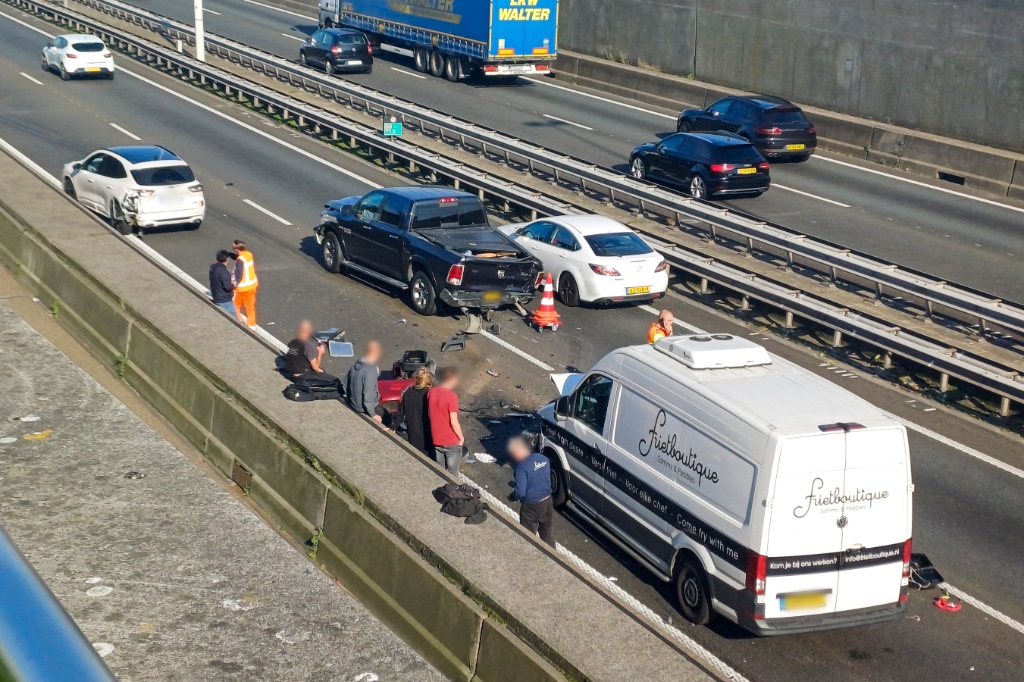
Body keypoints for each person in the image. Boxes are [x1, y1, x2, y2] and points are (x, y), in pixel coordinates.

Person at [507, 437, 555, 548]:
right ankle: (553, 557)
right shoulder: (543, 459)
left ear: (516, 452)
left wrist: (511, 497)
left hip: (531, 506)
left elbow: (520, 492)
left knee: (526, 536)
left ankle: (528, 556)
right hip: (547, 501)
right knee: (547, 534)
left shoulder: (521, 467)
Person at [428, 366, 464, 475]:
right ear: (453, 379)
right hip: (450, 441)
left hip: (436, 438)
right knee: (453, 473)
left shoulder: (432, 392)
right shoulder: (451, 396)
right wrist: (461, 437)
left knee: (440, 471)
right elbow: (453, 421)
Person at [284, 320, 340, 386]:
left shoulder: (292, 342)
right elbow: (315, 367)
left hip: (289, 373)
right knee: (323, 373)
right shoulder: (307, 346)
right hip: (300, 376)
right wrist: (320, 353)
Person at [346, 340, 386, 425]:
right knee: (386, 415)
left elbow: (345, 383)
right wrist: (373, 414)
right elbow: (368, 393)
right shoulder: (371, 371)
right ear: (376, 352)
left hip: (352, 403)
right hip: (362, 408)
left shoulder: (356, 364)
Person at [396, 367, 433, 455]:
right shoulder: (429, 394)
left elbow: (400, 413)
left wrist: (392, 426)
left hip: (413, 431)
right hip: (428, 432)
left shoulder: (408, 393)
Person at [231, 239, 259, 327]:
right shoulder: (249, 254)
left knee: (235, 306)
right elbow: (240, 257)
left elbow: (239, 275)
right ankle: (252, 325)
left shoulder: (240, 261)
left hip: (241, 288)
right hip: (252, 286)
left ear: (236, 248)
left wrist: (233, 285)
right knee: (250, 308)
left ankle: (238, 322)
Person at [208, 250, 236, 315]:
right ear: (227, 259)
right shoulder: (224, 272)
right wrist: (233, 284)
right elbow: (228, 287)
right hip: (224, 300)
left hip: (216, 296)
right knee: (234, 316)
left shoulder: (213, 268)